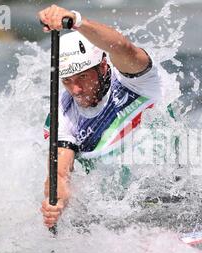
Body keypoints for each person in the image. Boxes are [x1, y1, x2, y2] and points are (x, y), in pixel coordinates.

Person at [38, 5, 162, 229]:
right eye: (67, 80)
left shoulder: (135, 81)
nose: (75, 90)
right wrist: (54, 201)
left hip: (177, 191)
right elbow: (60, 174)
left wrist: (76, 20)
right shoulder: (63, 114)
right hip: (124, 210)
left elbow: (122, 47)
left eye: (83, 77)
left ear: (103, 66)